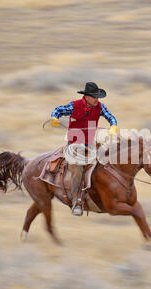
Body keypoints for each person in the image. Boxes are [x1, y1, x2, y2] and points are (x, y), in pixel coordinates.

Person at [50, 82, 118, 216]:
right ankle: (76, 201)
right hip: (74, 145)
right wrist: (54, 117)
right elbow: (59, 110)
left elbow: (110, 117)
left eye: (97, 96)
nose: (97, 99)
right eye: (94, 96)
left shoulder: (100, 106)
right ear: (86, 97)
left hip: (90, 144)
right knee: (77, 169)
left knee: (107, 160)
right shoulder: (74, 106)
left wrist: (113, 125)